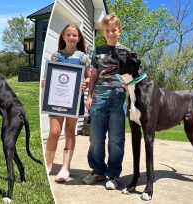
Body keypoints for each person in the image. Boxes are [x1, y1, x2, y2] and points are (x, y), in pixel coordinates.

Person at [82, 13, 130, 190]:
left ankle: (113, 175)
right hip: (99, 99)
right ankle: (97, 170)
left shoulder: (126, 52)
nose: (111, 33)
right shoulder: (98, 50)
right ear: (103, 32)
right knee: (96, 138)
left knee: (116, 139)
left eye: (114, 30)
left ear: (120, 31)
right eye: (108, 30)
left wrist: (128, 85)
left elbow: (133, 75)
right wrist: (89, 96)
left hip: (118, 99)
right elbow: (93, 74)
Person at [42, 24, 91, 182]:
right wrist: (46, 82)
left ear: (79, 38)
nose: (71, 38)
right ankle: (48, 164)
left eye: (74, 35)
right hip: (56, 100)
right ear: (63, 37)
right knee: (55, 132)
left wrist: (86, 83)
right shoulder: (56, 55)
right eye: (68, 34)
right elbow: (51, 76)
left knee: (70, 131)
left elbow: (89, 77)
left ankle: (65, 167)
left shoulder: (83, 57)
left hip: (74, 101)